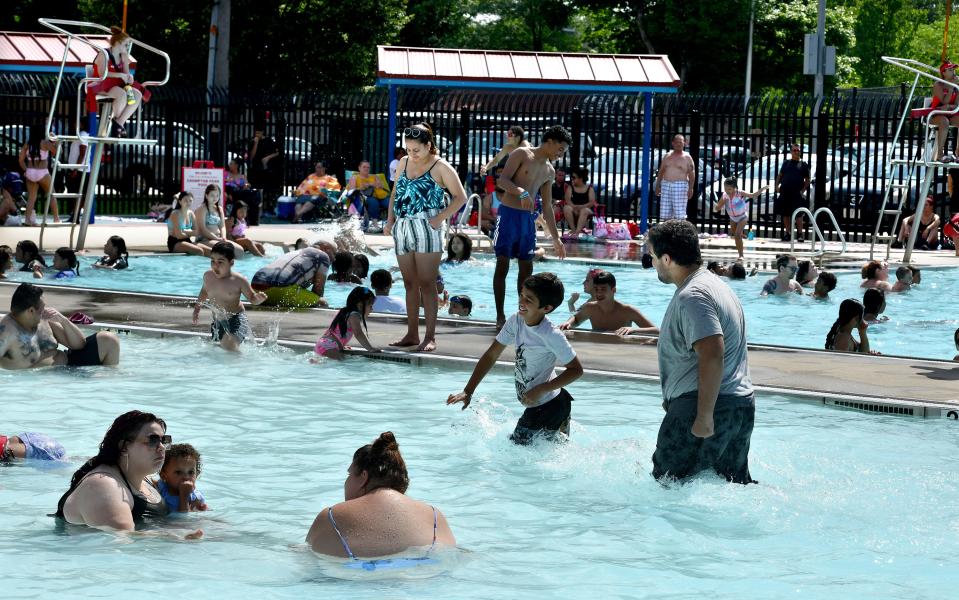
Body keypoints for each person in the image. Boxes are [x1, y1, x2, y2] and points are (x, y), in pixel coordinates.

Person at [647, 219, 756, 484]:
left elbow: (712, 353)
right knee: (728, 488)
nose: (652, 263)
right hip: (737, 406)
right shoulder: (715, 285)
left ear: (667, 259)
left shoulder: (693, 295)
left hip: (706, 408)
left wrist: (704, 415)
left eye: (652, 257)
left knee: (668, 489)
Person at [447, 273, 583, 444]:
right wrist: (468, 390)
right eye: (521, 295)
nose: (521, 302)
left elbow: (577, 370)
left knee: (516, 452)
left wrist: (541, 389)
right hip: (547, 404)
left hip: (549, 405)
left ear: (546, 308)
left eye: (529, 299)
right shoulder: (516, 321)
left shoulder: (551, 334)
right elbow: (491, 354)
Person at [306, 432, 455, 563]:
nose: (346, 481)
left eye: (349, 475)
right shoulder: (434, 517)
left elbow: (307, 557)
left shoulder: (331, 517)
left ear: (363, 477)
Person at [384, 123, 468, 352]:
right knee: (410, 283)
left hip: (427, 227)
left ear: (429, 146)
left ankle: (430, 336)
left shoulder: (441, 167)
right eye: (408, 149)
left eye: (416, 150)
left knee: (427, 284)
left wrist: (438, 219)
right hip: (402, 226)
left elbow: (460, 197)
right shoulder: (403, 162)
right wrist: (390, 219)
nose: (412, 154)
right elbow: (395, 193)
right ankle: (411, 334)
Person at [55, 410, 202, 538]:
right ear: (124, 446)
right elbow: (121, 540)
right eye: (153, 440)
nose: (162, 447)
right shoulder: (103, 485)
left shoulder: (143, 478)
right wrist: (178, 537)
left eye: (164, 440)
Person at [492, 125, 571, 329]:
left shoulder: (549, 171)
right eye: (560, 149)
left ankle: (523, 315)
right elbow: (502, 180)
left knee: (526, 269)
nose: (560, 154)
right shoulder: (522, 153)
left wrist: (556, 238)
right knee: (503, 265)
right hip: (509, 215)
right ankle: (500, 315)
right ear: (550, 141)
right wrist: (521, 191)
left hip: (527, 222)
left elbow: (546, 206)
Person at [0, 283, 120, 369]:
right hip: (39, 386)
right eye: (42, 308)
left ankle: (107, 383)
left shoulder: (44, 319)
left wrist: (63, 320)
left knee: (109, 340)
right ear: (31, 311)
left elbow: (79, 344)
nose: (45, 310)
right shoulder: (6, 332)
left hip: (69, 367)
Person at [192, 242, 267, 352]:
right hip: (218, 322)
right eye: (212, 261)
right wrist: (197, 308)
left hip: (236, 319)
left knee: (229, 345)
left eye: (220, 262)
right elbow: (204, 292)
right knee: (220, 350)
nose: (215, 265)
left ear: (231, 263)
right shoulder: (208, 276)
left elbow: (252, 298)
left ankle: (242, 367)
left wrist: (258, 299)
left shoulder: (239, 281)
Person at [86, 27, 148, 138]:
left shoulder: (124, 56)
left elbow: (126, 75)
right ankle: (116, 123)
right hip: (102, 85)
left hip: (117, 85)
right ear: (118, 43)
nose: (128, 47)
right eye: (126, 44)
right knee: (122, 94)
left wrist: (129, 76)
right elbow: (102, 74)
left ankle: (119, 122)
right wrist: (120, 75)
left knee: (137, 94)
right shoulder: (104, 54)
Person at [560, 271, 659, 335]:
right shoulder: (589, 308)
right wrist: (568, 323)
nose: (599, 293)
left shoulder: (628, 311)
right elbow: (576, 319)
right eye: (596, 289)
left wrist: (633, 330)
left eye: (603, 289)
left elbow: (657, 331)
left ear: (613, 290)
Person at [251, 241, 335, 307]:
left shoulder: (294, 253)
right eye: (334, 253)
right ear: (325, 247)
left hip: (256, 289)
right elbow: (318, 291)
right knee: (323, 303)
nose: (334, 258)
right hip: (282, 291)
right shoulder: (323, 256)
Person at [313, 287, 379, 360]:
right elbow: (358, 333)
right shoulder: (354, 315)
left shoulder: (344, 311)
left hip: (324, 344)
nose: (372, 309)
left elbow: (334, 331)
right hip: (329, 347)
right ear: (360, 305)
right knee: (342, 364)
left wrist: (340, 345)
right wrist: (370, 348)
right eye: (370, 306)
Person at [713, 177, 766, 259]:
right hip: (732, 218)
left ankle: (741, 255)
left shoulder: (740, 193)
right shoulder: (725, 195)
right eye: (725, 189)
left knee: (737, 235)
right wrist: (719, 207)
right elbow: (718, 207)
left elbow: (752, 195)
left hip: (742, 216)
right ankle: (741, 243)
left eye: (729, 189)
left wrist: (762, 189)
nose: (727, 191)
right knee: (737, 237)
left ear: (735, 188)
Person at [18, 125, 59, 226]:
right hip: (42, 172)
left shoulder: (27, 144)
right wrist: (55, 140)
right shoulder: (45, 143)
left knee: (31, 197)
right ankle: (56, 218)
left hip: (30, 172)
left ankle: (27, 220)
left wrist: (26, 170)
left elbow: (20, 160)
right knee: (51, 194)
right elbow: (57, 152)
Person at [654, 134, 696, 222]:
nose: (679, 144)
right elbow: (661, 171)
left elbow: (692, 174)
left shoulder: (687, 157)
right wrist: (658, 186)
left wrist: (691, 188)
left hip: (680, 186)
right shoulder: (667, 156)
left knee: (680, 212)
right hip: (666, 185)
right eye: (677, 142)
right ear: (673, 143)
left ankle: (680, 233)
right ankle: (667, 232)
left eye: (681, 142)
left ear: (684, 143)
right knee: (665, 212)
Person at [774, 143, 811, 241]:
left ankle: (800, 234)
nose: (796, 152)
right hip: (785, 192)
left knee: (798, 214)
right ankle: (788, 233)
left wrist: (802, 190)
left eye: (798, 150)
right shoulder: (786, 163)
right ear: (791, 152)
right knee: (785, 214)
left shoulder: (803, 164)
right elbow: (780, 175)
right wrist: (776, 185)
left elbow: (807, 180)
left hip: (796, 193)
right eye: (794, 150)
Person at [157, 443, 208, 513]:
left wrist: (185, 496)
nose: (186, 477)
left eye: (191, 472)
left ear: (197, 474)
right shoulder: (161, 485)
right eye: (178, 472)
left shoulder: (194, 497)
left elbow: (183, 518)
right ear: (164, 475)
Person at [195, 184, 242, 255]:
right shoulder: (202, 209)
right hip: (204, 239)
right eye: (212, 195)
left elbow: (222, 226)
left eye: (217, 195)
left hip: (218, 238)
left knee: (240, 251)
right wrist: (216, 238)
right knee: (225, 251)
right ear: (206, 196)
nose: (215, 198)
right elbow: (202, 229)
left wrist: (223, 238)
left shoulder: (219, 209)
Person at [344, 160, 389, 230]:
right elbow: (351, 191)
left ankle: (394, 223)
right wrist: (360, 188)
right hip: (363, 198)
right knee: (373, 201)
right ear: (359, 168)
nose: (366, 169)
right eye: (364, 167)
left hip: (379, 197)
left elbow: (381, 186)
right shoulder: (355, 177)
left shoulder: (374, 176)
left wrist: (370, 184)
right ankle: (375, 223)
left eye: (368, 167)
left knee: (390, 203)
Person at [247, 123, 280, 211]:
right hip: (256, 168)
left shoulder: (269, 141)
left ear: (262, 133)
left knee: (267, 188)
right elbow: (251, 156)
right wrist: (256, 144)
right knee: (256, 188)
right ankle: (256, 207)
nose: (257, 135)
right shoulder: (252, 141)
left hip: (267, 168)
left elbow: (277, 152)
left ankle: (268, 206)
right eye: (256, 133)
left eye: (259, 133)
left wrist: (268, 157)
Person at [930, 61, 959, 161]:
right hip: (935, 114)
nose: (953, 72)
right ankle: (940, 154)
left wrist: (948, 106)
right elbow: (943, 101)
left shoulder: (957, 86)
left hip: (949, 113)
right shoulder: (938, 85)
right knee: (944, 121)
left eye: (954, 69)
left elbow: (956, 104)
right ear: (943, 73)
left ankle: (958, 154)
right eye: (950, 70)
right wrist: (951, 87)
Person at [166, 192, 210, 256]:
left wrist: (184, 231)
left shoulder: (191, 213)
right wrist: (191, 233)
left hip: (187, 240)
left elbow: (197, 232)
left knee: (210, 251)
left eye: (190, 201)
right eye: (185, 200)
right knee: (199, 251)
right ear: (180, 201)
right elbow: (179, 236)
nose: (188, 203)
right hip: (175, 242)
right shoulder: (175, 214)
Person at [562, 167, 598, 238]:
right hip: (573, 208)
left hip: (586, 209)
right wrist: (574, 207)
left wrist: (581, 207)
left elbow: (591, 202)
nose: (572, 179)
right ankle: (573, 229)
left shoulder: (589, 188)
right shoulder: (571, 187)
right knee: (566, 208)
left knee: (584, 210)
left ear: (580, 178)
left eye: (574, 177)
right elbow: (567, 200)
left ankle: (577, 232)